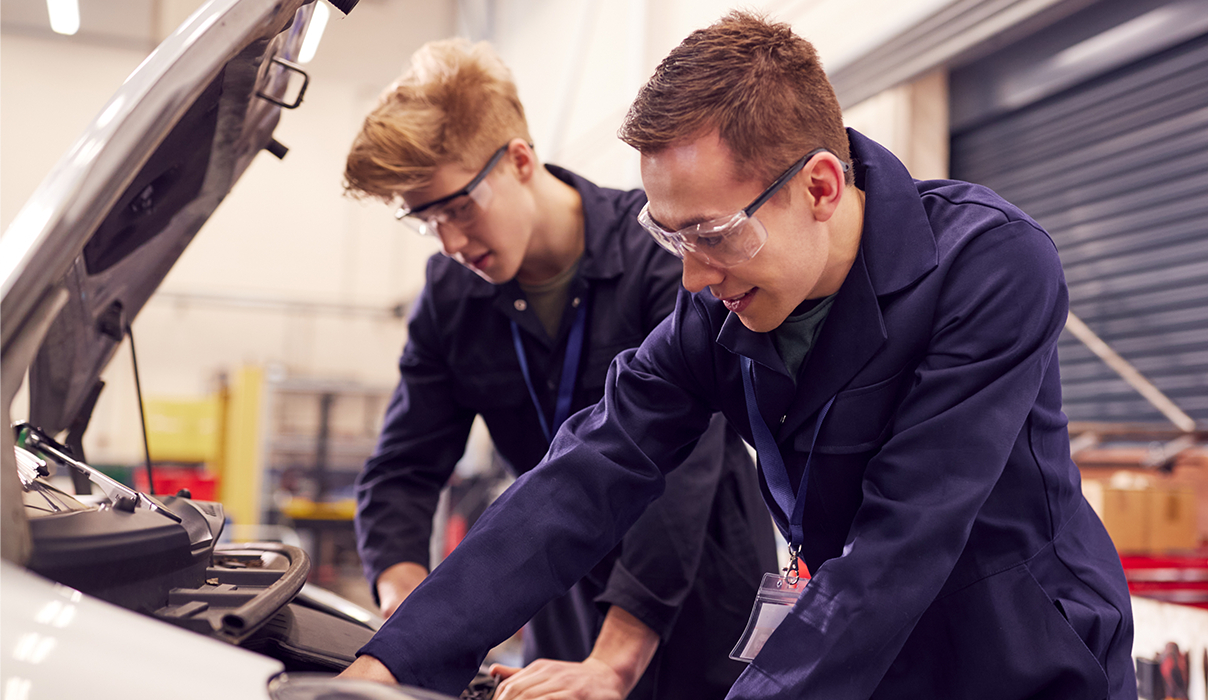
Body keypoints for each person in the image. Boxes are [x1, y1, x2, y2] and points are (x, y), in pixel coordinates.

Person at [343, 14, 1136, 699]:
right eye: (671, 234)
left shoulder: (989, 267)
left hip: (1018, 663)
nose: (691, 274)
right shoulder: (718, 307)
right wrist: (395, 660)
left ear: (820, 188)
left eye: (714, 233)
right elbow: (584, 475)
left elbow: (905, 538)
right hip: (853, 658)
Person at [341, 39, 775, 700]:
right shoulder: (451, 296)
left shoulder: (659, 255)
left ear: (518, 160)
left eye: (459, 207)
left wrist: (615, 661)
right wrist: (404, 600)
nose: (453, 243)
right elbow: (406, 464)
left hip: (699, 584)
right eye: (427, 221)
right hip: (558, 579)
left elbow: (682, 470)